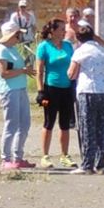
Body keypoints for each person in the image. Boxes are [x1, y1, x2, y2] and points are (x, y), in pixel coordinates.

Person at [70, 14, 104, 174]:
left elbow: (71, 74)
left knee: (87, 127)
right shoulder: (102, 51)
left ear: (78, 38)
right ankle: (100, 163)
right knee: (101, 128)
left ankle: (87, 164)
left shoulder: (80, 51)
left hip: (88, 91)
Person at [34, 17, 77, 168]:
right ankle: (45, 156)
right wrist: (40, 91)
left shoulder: (68, 46)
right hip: (51, 89)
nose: (64, 32)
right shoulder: (44, 47)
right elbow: (39, 71)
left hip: (67, 88)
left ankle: (64, 155)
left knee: (65, 124)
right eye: (61, 29)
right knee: (49, 122)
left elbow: (75, 64)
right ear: (52, 31)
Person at [0, 19, 33, 170]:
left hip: (20, 88)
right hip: (9, 91)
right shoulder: (1, 50)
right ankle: (6, 159)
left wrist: (25, 69)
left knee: (24, 123)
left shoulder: (13, 50)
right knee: (11, 124)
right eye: (17, 35)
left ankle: (18, 157)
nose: (19, 38)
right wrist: (23, 71)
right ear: (11, 35)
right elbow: (3, 73)